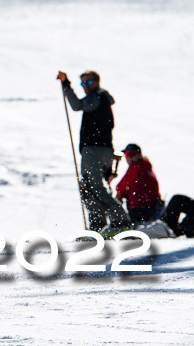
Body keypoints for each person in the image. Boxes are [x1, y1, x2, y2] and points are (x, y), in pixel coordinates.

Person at [57, 70, 130, 236]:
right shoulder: (104, 99)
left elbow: (76, 105)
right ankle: (101, 225)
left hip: (93, 150)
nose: (86, 87)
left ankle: (118, 222)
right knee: (92, 187)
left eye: (89, 82)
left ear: (97, 82)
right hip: (105, 150)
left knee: (91, 188)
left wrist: (66, 84)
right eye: (83, 84)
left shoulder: (96, 97)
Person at [115, 144, 164, 223]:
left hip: (139, 209)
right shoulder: (146, 166)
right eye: (127, 155)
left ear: (139, 155)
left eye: (132, 154)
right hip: (154, 207)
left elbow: (120, 187)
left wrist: (120, 194)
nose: (129, 158)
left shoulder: (136, 166)